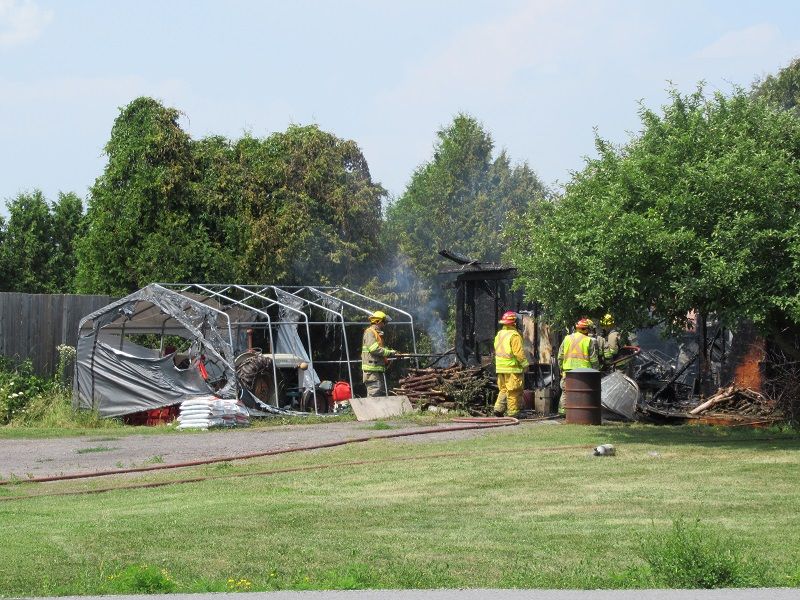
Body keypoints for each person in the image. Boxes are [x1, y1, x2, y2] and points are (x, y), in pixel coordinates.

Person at [557, 317, 600, 413]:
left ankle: (563, 412)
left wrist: (561, 368)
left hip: (567, 371)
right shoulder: (589, 340)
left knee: (566, 392)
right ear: (586, 329)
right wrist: (596, 371)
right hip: (584, 373)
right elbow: (593, 359)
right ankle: (580, 412)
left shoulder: (567, 338)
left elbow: (560, 356)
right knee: (582, 393)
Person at [493, 311, 529, 418]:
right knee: (514, 390)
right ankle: (514, 412)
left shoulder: (499, 334)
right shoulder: (514, 335)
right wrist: (525, 365)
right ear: (514, 322)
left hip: (500, 368)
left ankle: (498, 409)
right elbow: (519, 353)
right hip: (512, 368)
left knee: (503, 389)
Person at [361, 310, 397, 397]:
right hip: (371, 370)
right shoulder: (370, 332)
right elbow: (374, 349)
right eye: (384, 322)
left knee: (377, 393)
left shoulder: (376, 333)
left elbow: (378, 348)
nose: (385, 324)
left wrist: (389, 352)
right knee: (374, 394)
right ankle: (371, 411)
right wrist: (389, 353)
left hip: (375, 370)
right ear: (379, 321)